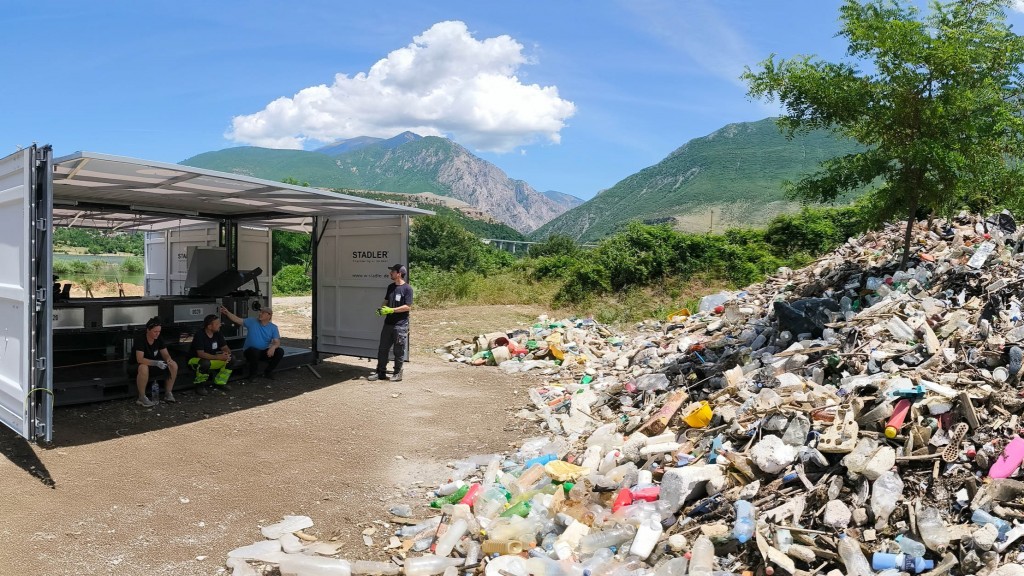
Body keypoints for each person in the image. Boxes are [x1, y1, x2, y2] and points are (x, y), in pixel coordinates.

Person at [370, 264, 413, 382]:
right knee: (382, 349)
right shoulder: (390, 287)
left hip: (400, 325)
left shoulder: (407, 289)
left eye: (393, 271)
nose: (390, 273)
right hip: (388, 323)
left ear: (399, 274)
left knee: (398, 350)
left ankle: (397, 373)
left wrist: (392, 310)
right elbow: (386, 300)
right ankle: (380, 372)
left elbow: (407, 307)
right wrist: (382, 308)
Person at [219, 305, 283, 380]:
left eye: (263, 313)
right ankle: (253, 375)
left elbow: (277, 342)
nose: (260, 314)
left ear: (269, 315)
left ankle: (268, 372)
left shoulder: (273, 327)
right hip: (249, 352)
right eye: (260, 312)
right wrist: (227, 313)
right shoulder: (252, 321)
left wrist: (273, 347)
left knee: (280, 351)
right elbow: (237, 320)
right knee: (254, 350)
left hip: (262, 352)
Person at [128, 316, 178, 407]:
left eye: (159, 332)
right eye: (155, 331)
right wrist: (156, 363)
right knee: (143, 367)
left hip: (154, 365)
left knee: (173, 365)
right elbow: (140, 359)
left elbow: (165, 353)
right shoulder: (140, 339)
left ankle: (168, 393)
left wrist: (168, 359)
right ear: (148, 330)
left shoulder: (159, 339)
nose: (157, 334)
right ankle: (142, 397)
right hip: (137, 366)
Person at [188, 314, 237, 394]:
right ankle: (200, 385)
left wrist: (226, 354)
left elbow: (225, 347)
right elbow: (201, 354)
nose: (220, 325)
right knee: (204, 363)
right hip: (195, 360)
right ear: (209, 326)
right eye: (217, 324)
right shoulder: (199, 335)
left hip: (212, 359)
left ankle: (220, 383)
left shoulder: (218, 333)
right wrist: (217, 357)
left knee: (232, 358)